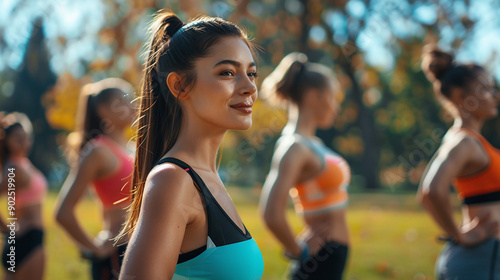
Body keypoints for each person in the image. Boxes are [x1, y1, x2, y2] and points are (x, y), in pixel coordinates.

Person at [116, 10, 264, 280]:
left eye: (251, 73)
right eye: (228, 72)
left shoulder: (206, 177)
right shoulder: (172, 181)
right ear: (179, 85)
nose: (249, 87)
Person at [259, 53, 350, 280]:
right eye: (332, 97)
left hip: (331, 258)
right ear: (313, 96)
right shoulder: (294, 147)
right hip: (319, 261)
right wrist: (299, 251)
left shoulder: (312, 143)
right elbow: (271, 213)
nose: (336, 107)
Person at [418, 45, 500, 279]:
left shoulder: (473, 142)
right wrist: (461, 235)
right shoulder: (464, 142)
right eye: (485, 89)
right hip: (483, 259)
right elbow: (430, 190)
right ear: (460, 97)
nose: (495, 95)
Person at [54, 78, 136, 280]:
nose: (133, 104)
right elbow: (63, 212)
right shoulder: (98, 151)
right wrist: (94, 249)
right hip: (118, 254)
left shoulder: (134, 149)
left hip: (143, 249)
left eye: (132, 98)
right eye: (123, 100)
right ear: (102, 110)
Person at [0, 112, 47, 280]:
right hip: (27, 239)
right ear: (7, 141)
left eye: (27, 137)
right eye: (18, 138)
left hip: (20, 240)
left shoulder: (21, 164)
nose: (24, 143)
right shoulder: (15, 169)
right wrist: (6, 229)